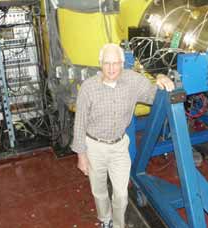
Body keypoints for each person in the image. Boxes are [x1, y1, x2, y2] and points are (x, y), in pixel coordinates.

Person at [71, 43, 174, 228]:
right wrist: (81, 156)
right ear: (100, 63)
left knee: (121, 194)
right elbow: (80, 123)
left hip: (119, 147)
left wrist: (161, 78)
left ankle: (118, 225)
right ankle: (105, 219)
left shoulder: (133, 81)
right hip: (94, 146)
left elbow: (154, 96)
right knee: (99, 190)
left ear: (122, 63)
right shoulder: (88, 88)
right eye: (107, 63)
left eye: (116, 63)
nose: (111, 69)